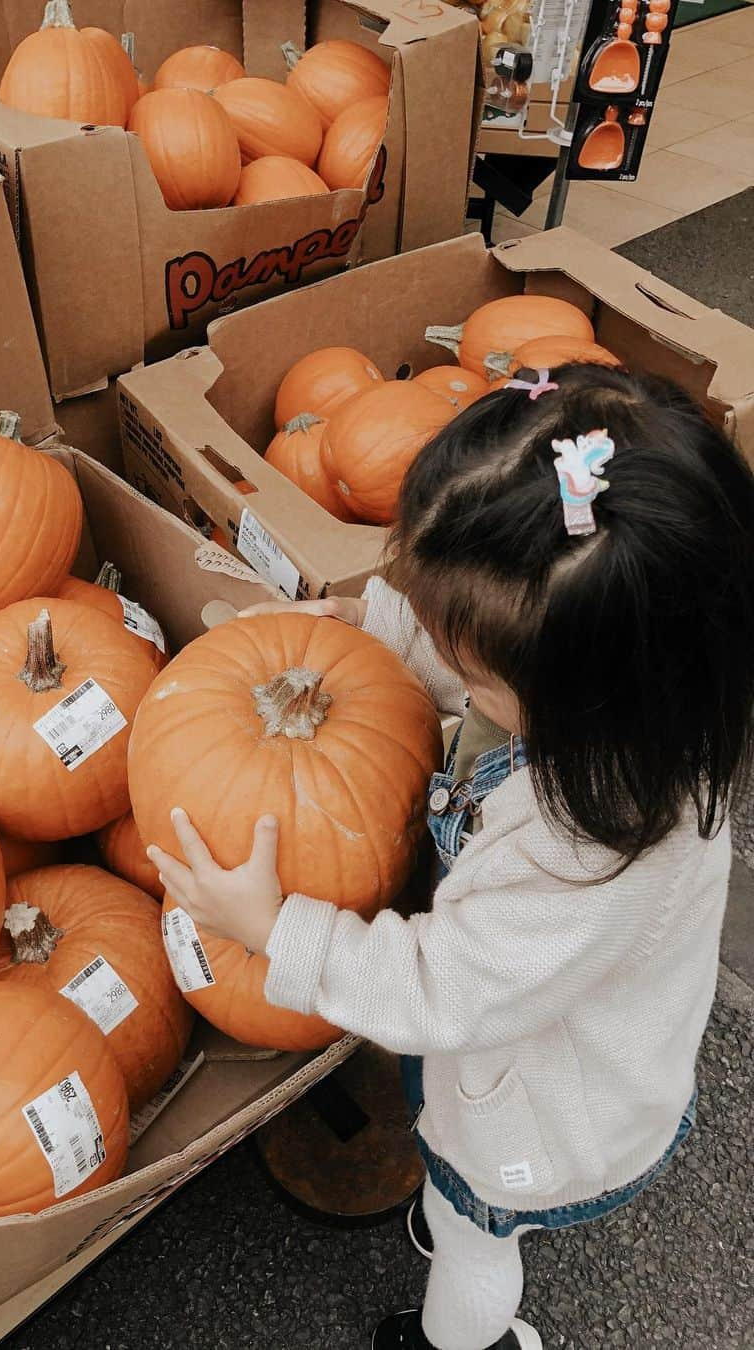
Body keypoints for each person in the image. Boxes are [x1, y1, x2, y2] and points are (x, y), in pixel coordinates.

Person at [147, 363, 754, 1350]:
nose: (439, 651)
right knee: (454, 1164)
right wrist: (374, 629)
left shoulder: (589, 854)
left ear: (574, 699)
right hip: (508, 1046)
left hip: (542, 1117)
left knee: (478, 1237)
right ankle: (455, 1199)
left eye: (461, 656)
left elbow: (441, 989)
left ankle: (458, 1332)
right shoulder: (617, 685)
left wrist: (273, 929)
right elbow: (480, 643)